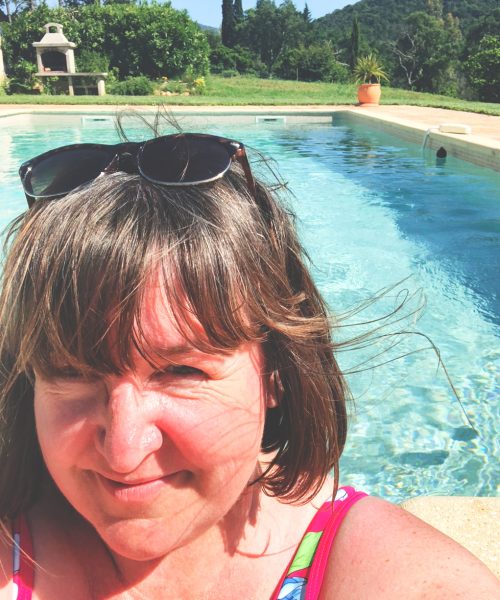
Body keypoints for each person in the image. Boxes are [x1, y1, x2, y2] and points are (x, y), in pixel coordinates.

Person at [0, 131, 498, 600]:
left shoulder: (404, 578)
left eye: (183, 372)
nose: (124, 451)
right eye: (73, 372)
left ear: (276, 372)